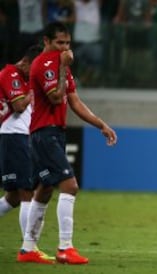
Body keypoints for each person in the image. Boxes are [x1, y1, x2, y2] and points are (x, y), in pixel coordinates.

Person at [16, 21, 118, 265]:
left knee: (45, 189)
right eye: (60, 43)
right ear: (46, 41)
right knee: (70, 186)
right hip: (44, 134)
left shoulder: (60, 65)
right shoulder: (43, 65)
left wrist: (100, 124)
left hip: (52, 133)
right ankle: (65, 247)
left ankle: (28, 248)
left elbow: (74, 102)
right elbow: (55, 97)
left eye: (68, 44)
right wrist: (63, 67)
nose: (64, 48)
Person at [0, 44, 55, 261]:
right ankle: (28, 248)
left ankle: (29, 247)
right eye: (35, 68)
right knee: (26, 193)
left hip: (20, 137)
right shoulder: (10, 74)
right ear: (26, 62)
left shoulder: (20, 76)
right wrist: (34, 90)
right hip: (14, 136)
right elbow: (19, 105)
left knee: (13, 197)